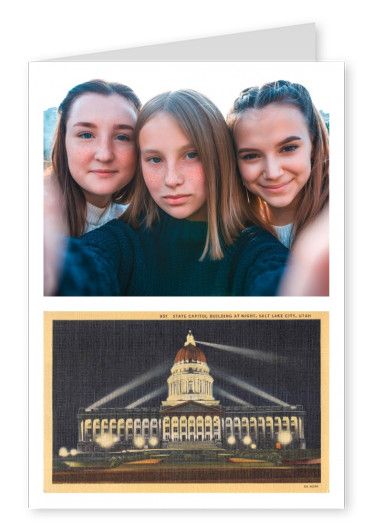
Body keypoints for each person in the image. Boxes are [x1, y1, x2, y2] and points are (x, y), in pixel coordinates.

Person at [48, 89, 289, 296]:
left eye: (191, 155)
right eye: (155, 159)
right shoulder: (122, 241)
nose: (171, 179)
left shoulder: (257, 251)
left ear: (218, 157)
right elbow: (86, 267)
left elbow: (281, 284)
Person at [227, 80, 329, 249]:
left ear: (314, 145)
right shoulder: (232, 237)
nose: (273, 172)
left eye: (288, 148)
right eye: (251, 155)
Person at [47, 79, 141, 237]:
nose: (104, 155)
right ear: (64, 142)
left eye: (122, 137)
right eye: (86, 135)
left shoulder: (139, 227)